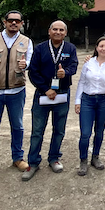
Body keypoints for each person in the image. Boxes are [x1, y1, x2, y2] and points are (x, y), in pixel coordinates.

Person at [0, 10, 33, 179]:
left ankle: (18, 158)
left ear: (21, 23)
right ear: (5, 22)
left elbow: (30, 61)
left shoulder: (26, 41)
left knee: (17, 126)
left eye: (17, 21)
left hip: (16, 91)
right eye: (10, 20)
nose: (14, 23)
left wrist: (26, 64)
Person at [24, 20, 78, 181]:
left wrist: (65, 72)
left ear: (65, 33)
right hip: (43, 94)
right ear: (49, 31)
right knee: (37, 130)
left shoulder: (70, 48)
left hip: (62, 94)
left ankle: (54, 158)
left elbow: (74, 66)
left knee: (59, 129)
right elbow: (33, 72)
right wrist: (45, 89)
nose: (58, 32)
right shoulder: (40, 48)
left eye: (61, 30)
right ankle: (33, 162)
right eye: (55, 29)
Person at [75, 37, 105, 176]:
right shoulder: (89, 62)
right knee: (85, 133)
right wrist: (77, 101)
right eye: (101, 46)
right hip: (87, 99)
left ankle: (95, 157)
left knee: (99, 131)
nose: (103, 49)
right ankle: (83, 160)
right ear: (96, 47)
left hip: (104, 100)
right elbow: (82, 81)